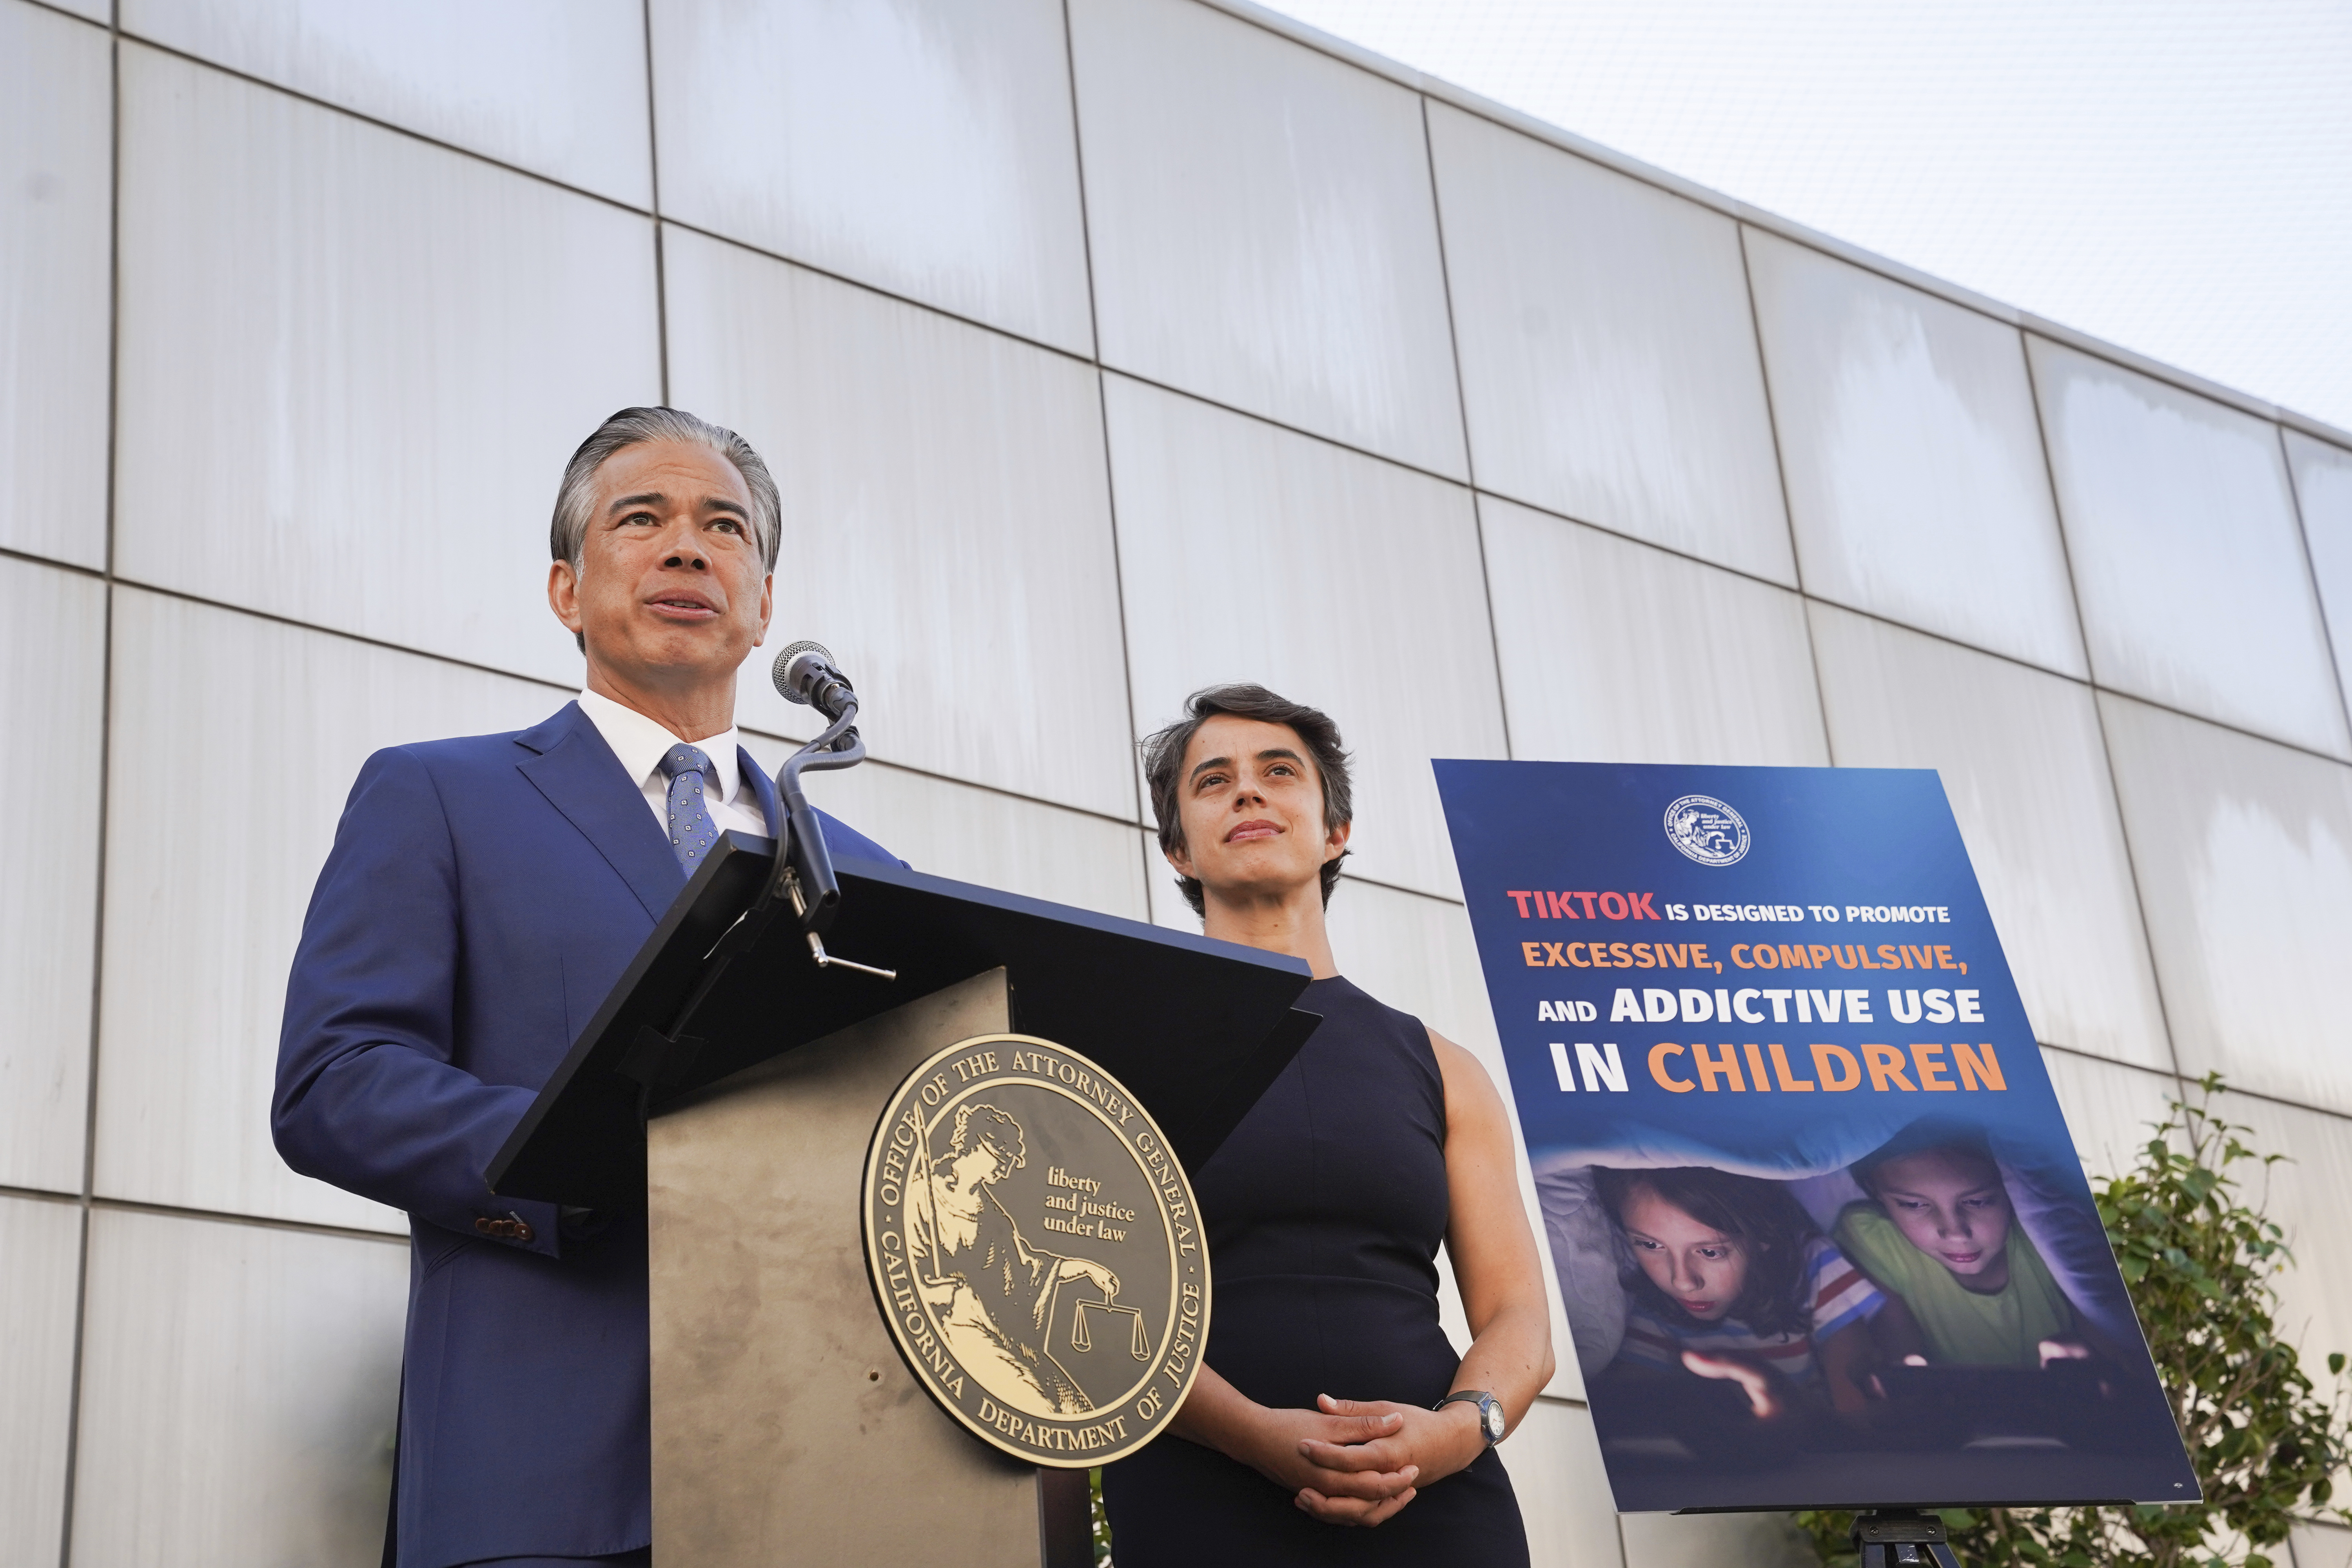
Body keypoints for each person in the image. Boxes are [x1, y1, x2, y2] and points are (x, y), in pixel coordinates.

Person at [273, 407, 898, 1568]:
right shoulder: (436, 798)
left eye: (725, 528)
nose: (686, 548)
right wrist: (608, 1154)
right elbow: (336, 1082)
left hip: (824, 1488)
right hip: (540, 1485)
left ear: (762, 604)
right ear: (566, 590)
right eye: (642, 519)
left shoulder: (865, 874)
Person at [1100, 684, 1554, 1564]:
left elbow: (1520, 1318)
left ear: (1335, 830)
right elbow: (1094, 1305)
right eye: (1214, 780)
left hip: (1440, 1509)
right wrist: (1253, 1434)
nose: (1249, 792)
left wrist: (1457, 1433)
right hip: (1204, 1497)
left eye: (1279, 772)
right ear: (1178, 852)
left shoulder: (1445, 1068)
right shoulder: (1115, 1054)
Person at [1593, 1166, 1890, 1420]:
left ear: (1764, 1234)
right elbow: (1639, 1411)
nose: (1683, 1281)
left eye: (1710, 1252)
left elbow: (1856, 1406)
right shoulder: (1648, 1301)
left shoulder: (1812, 1265)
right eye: (1650, 1246)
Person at [905, 1101, 1124, 1416]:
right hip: (954, 1326)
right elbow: (906, 1275)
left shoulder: (993, 1216)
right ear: (977, 1143)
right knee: (1041, 1408)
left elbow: (1028, 1268)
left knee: (1077, 1410)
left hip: (1003, 1328)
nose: (1005, 1168)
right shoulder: (923, 1195)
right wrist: (949, 1293)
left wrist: (1085, 1268)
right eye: (1001, 1157)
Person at [1834, 1132, 2089, 1368]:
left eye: (1978, 1201)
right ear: (1877, 1193)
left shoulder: (2050, 1231)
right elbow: (1904, 1357)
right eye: (1913, 1204)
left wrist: (2094, 1357)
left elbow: (2108, 1345)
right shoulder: (1876, 1241)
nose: (1955, 1233)